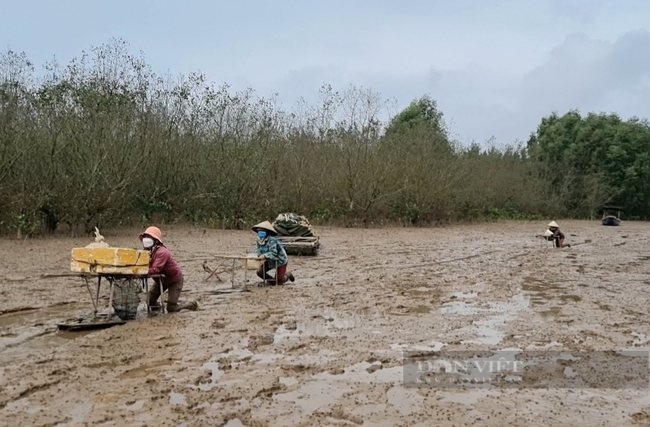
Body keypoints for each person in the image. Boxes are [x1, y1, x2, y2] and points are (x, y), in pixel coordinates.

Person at [139, 226, 197, 312]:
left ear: (156, 240)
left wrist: (140, 272)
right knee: (150, 301)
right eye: (145, 237)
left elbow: (155, 269)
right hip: (161, 279)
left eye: (149, 237)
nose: (146, 239)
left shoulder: (162, 252)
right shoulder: (147, 252)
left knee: (171, 308)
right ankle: (157, 311)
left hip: (174, 280)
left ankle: (191, 305)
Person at [252, 221, 295, 285]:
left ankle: (288, 275)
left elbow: (273, 253)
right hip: (269, 260)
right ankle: (272, 281)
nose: (260, 234)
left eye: (262, 233)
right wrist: (258, 255)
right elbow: (258, 250)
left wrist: (264, 255)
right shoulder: (258, 240)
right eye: (259, 232)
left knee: (279, 281)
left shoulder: (272, 240)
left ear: (267, 233)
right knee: (260, 272)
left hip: (280, 260)